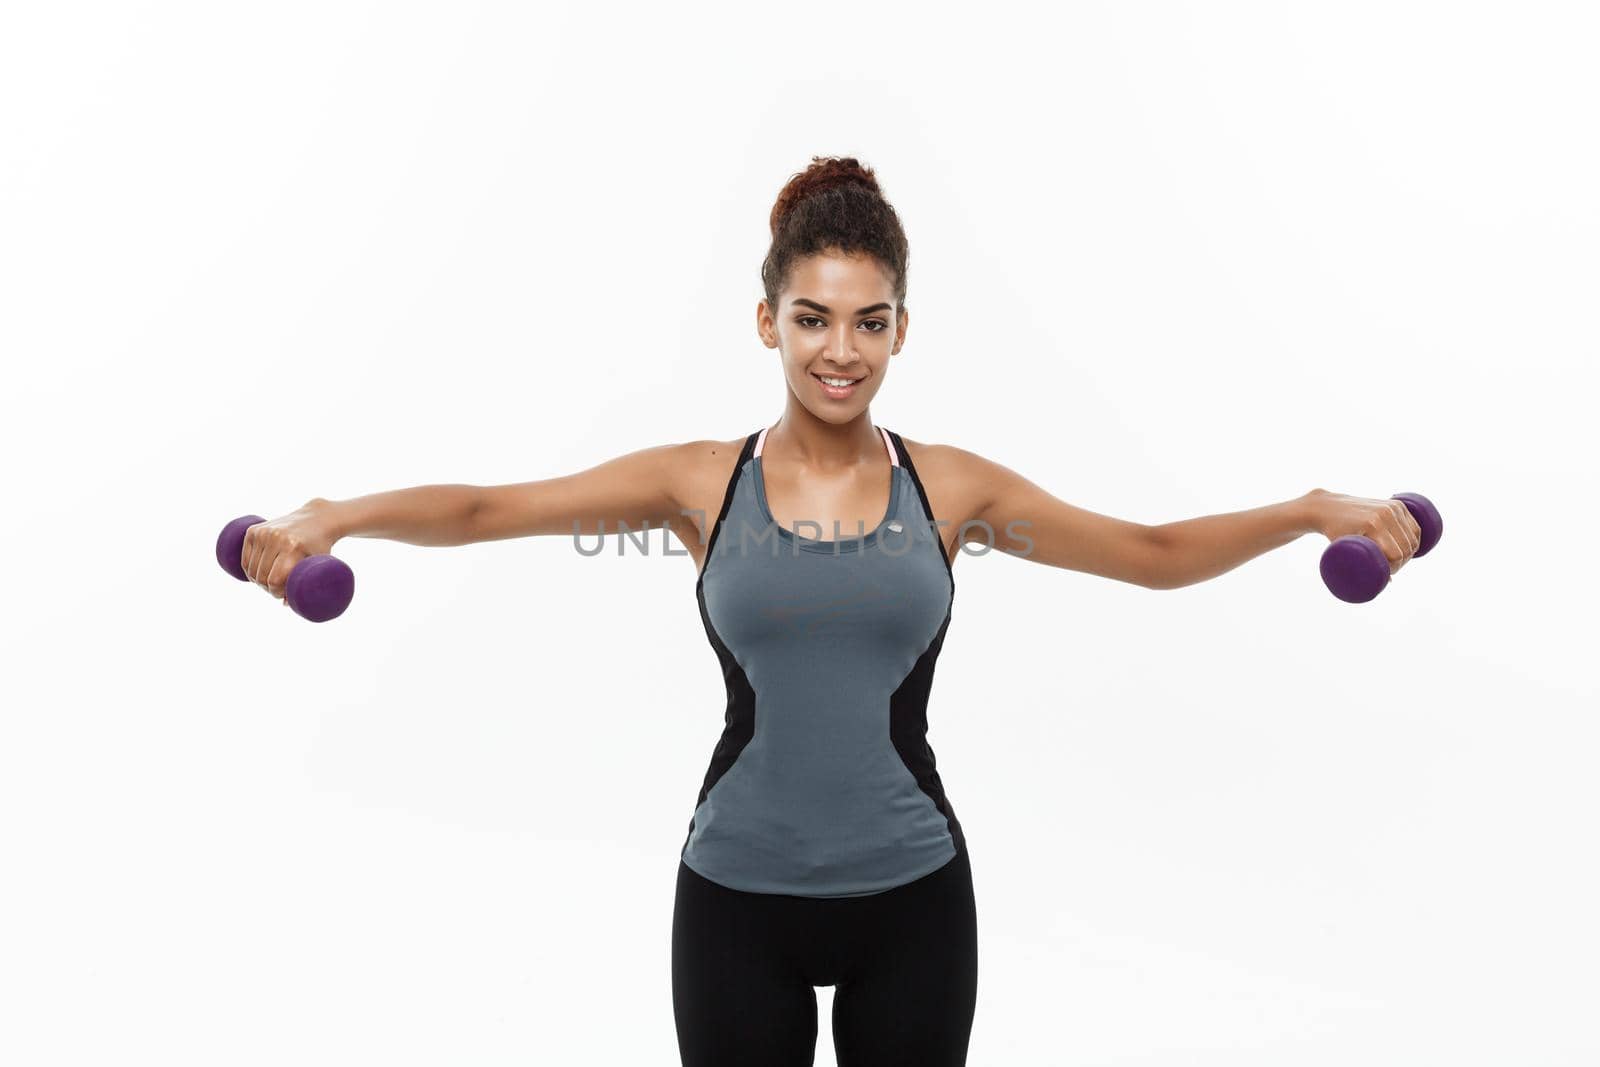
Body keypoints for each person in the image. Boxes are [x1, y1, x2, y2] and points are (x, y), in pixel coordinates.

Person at [237, 155, 1424, 1066]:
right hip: (734, 901)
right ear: (769, 322)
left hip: (912, 898)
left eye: (868, 321)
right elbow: (494, 505)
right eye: (812, 317)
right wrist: (336, 513)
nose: (839, 351)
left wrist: (1312, 508)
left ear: (901, 328)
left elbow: (1152, 553)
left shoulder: (952, 489)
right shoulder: (699, 482)